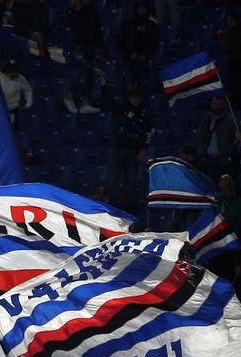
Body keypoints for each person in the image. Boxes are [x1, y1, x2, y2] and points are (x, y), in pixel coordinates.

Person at [97, 68, 153, 213]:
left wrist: (143, 150)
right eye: (133, 96)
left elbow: (147, 134)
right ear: (129, 97)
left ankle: (127, 208)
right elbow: (107, 99)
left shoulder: (145, 115)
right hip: (117, 149)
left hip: (133, 152)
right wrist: (103, 79)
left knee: (131, 183)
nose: (135, 99)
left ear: (141, 99)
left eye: (138, 97)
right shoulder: (122, 109)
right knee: (112, 180)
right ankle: (114, 207)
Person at [64, 0, 104, 114]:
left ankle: (85, 104)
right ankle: (69, 96)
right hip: (80, 46)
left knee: (92, 75)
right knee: (83, 75)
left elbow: (97, 28)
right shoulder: (72, 10)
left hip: (93, 46)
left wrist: (101, 46)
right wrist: (78, 9)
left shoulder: (94, 10)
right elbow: (75, 26)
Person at [116, 0, 158, 93]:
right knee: (129, 89)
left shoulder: (152, 26)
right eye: (139, 6)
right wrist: (129, 55)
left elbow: (155, 45)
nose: (141, 9)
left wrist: (147, 56)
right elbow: (120, 42)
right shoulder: (127, 24)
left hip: (144, 63)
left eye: (143, 6)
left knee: (143, 90)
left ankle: (142, 108)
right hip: (129, 62)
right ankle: (129, 108)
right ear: (136, 8)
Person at [196, 97, 236, 181]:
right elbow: (200, 139)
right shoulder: (206, 120)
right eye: (215, 104)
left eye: (220, 104)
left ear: (224, 105)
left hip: (225, 160)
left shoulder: (230, 120)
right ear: (212, 105)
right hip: (209, 160)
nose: (217, 107)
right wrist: (202, 156)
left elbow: (236, 140)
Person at [0, 60, 32, 124]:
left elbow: (28, 91)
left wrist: (28, 105)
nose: (15, 78)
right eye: (13, 76)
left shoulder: (21, 79)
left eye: (16, 76)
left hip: (13, 108)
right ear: (7, 72)